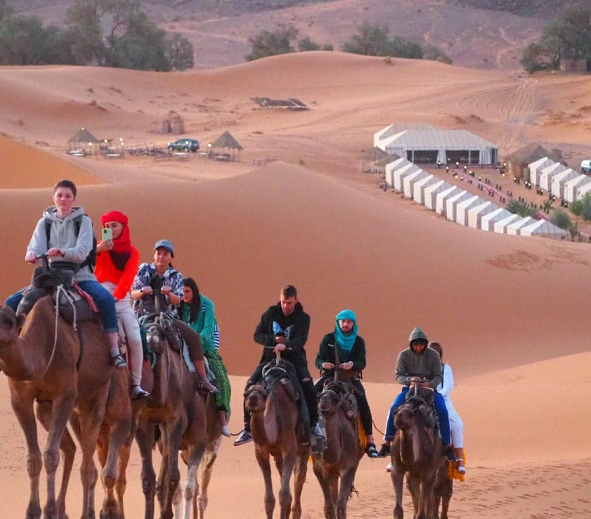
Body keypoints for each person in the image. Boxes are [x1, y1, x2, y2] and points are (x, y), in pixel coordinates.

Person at [4, 179, 127, 368]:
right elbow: (35, 249)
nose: (63, 199)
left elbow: (82, 252)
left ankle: (114, 351)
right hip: (50, 276)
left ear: (74, 199)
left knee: (106, 300)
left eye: (68, 196)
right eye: (60, 195)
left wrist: (62, 252)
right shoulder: (44, 223)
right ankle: (12, 350)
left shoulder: (83, 222)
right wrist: (32, 256)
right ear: (53, 198)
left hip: (80, 277)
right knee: (11, 302)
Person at [234, 284, 319, 446]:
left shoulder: (303, 318)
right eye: (283, 302)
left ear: (296, 301)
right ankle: (247, 429)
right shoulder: (270, 313)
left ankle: (314, 426)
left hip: (294, 358)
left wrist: (286, 345)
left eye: (289, 303)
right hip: (269, 358)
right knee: (250, 384)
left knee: (308, 384)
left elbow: (301, 340)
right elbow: (257, 336)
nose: (286, 306)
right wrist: (273, 341)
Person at [131, 240, 215, 392]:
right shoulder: (143, 269)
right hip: (141, 316)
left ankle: (203, 379)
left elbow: (178, 300)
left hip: (168, 317)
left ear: (170, 257)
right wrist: (143, 291)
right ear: (154, 254)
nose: (161, 257)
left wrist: (168, 293)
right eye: (158, 253)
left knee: (193, 338)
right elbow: (133, 294)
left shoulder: (176, 276)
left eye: (165, 254)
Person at [95, 210, 150, 400]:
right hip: (98, 294)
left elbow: (128, 279)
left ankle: (136, 384)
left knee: (135, 339)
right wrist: (98, 250)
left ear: (123, 227)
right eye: (107, 226)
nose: (110, 229)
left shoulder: (133, 253)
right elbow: (87, 266)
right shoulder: (98, 248)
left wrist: (115, 297)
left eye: (114, 226)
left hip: (121, 300)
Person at [377, 326, 453, 459]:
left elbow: (438, 376)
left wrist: (428, 384)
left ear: (425, 343)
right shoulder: (404, 355)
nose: (418, 347)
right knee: (394, 407)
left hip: (429, 390)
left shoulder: (433, 355)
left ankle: (447, 446)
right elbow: (399, 376)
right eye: (416, 344)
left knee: (442, 410)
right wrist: (410, 380)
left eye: (421, 344)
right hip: (410, 389)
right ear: (411, 344)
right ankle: (387, 443)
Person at [314, 309, 379, 458]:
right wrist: (323, 364)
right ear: (338, 323)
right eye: (342, 321)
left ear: (353, 324)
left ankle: (370, 441)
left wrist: (352, 364)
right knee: (311, 395)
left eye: (348, 322)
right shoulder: (328, 339)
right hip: (329, 376)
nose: (345, 324)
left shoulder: (359, 341)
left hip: (350, 378)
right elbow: (318, 360)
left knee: (362, 401)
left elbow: (362, 362)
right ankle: (308, 435)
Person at [180, 278, 231, 437]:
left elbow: (209, 328)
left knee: (221, 378)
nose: (184, 295)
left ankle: (222, 418)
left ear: (193, 291)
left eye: (187, 291)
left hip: (205, 350)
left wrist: (196, 341)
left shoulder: (206, 305)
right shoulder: (180, 305)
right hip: (182, 349)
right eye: (182, 292)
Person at [429, 342, 466, 474]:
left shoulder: (446, 369)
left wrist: (438, 394)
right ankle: (395, 457)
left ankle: (459, 460)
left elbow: (448, 386)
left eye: (436, 354)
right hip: (424, 400)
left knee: (456, 425)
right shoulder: (422, 368)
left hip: (443, 401)